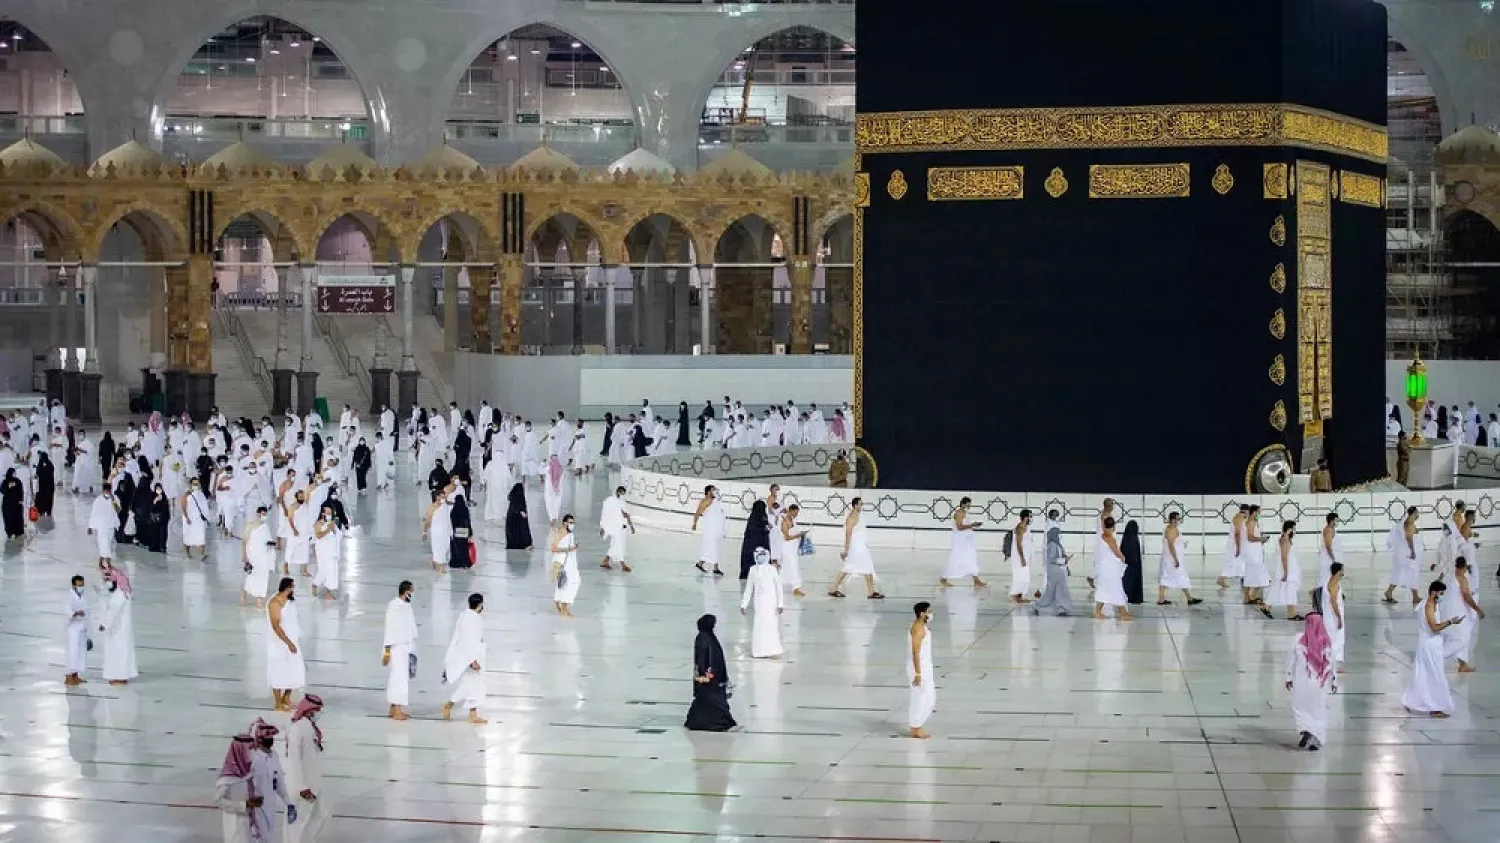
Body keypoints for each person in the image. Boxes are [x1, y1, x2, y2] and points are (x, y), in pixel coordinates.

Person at [1285, 589, 1338, 751]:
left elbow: (1290, 661)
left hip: (1302, 681)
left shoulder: (1298, 640)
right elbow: (1332, 664)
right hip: (1319, 684)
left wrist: (1288, 677)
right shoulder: (1326, 643)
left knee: (1300, 707)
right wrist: (1334, 681)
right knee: (1318, 709)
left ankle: (1305, 730)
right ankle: (1316, 738)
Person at [1403, 580, 1459, 718]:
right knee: (1435, 675)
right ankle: (1435, 707)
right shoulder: (1428, 606)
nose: (1442, 596)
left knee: (1425, 674)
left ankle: (1412, 700)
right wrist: (1450, 622)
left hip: (1433, 645)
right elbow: (1433, 627)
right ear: (1433, 593)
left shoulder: (1433, 605)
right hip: (1429, 646)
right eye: (1441, 593)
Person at [682, 613, 738, 731]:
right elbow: (702, 658)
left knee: (705, 701)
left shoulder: (709, 636)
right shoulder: (703, 638)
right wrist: (705, 674)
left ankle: (696, 722)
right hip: (708, 677)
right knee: (716, 701)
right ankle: (725, 723)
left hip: (712, 676)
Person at [282, 694, 327, 842]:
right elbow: (294, 760)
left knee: (319, 816)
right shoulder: (297, 728)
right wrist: (302, 787)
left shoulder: (310, 727)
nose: (319, 713)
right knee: (297, 823)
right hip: (300, 787)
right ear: (310, 710)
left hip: (312, 782)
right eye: (318, 710)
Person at [441, 593, 488, 724]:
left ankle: (473, 714)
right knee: (466, 686)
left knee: (475, 686)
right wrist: (472, 661)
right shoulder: (470, 619)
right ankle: (448, 705)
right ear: (479, 605)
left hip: (475, 657)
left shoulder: (469, 616)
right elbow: (467, 641)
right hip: (471, 659)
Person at [830, 497, 883, 599]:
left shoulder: (858, 515)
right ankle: (870, 592)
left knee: (851, 568)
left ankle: (870, 592)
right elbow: (848, 534)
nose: (861, 506)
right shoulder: (852, 517)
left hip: (860, 545)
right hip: (856, 547)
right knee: (852, 568)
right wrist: (846, 550)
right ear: (855, 505)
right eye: (860, 504)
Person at [247, 719, 291, 840]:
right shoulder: (251, 758)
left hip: (270, 807)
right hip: (256, 809)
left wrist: (289, 803)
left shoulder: (274, 755)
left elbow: (279, 782)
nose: (271, 739)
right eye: (268, 736)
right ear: (259, 739)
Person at [266, 577, 305, 712]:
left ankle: (286, 698)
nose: (293, 590)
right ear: (287, 588)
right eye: (292, 587)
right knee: (278, 671)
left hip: (292, 640)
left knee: (295, 670)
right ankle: (278, 703)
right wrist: (288, 643)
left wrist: (295, 640)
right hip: (278, 643)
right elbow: (276, 626)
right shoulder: (274, 603)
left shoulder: (290, 601)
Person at [382, 581, 419, 721]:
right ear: (405, 592)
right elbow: (390, 628)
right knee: (399, 678)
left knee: (401, 677)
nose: (412, 595)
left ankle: (393, 707)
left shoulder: (406, 606)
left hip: (406, 648)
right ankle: (397, 709)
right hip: (396, 647)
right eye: (411, 592)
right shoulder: (394, 606)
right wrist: (386, 651)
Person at [97, 565, 138, 685]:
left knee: (117, 653)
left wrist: (104, 624)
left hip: (117, 630)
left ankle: (119, 677)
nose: (108, 583)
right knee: (122, 652)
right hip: (121, 629)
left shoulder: (119, 594)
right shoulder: (124, 593)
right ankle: (122, 676)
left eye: (109, 580)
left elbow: (113, 611)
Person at [741, 547, 785, 658]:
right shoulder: (752, 570)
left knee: (770, 625)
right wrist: (744, 604)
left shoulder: (772, 569)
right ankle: (759, 651)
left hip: (771, 603)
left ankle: (773, 650)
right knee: (759, 626)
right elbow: (749, 589)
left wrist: (780, 604)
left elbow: (779, 587)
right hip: (759, 603)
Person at [215, 733, 256, 843]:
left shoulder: (249, 773)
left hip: (250, 825)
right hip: (235, 827)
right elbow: (219, 801)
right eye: (248, 750)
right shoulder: (227, 778)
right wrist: (244, 805)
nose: (251, 754)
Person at [1446, 558, 1484, 673]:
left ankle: (1463, 664)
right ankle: (1438, 656)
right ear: (1464, 567)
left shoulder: (1448, 576)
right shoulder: (1462, 579)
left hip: (1447, 611)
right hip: (1458, 613)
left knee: (1462, 637)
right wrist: (1478, 609)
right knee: (1460, 639)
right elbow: (1466, 596)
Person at [1157, 512, 1201, 605]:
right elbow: (1170, 545)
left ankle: (1188, 598)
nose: (1179, 520)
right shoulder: (1171, 530)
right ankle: (1189, 598)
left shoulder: (1170, 528)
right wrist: (1175, 559)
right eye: (1178, 519)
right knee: (1175, 576)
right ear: (1173, 520)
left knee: (1169, 576)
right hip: (1172, 559)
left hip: (1170, 558)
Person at [940, 497, 986, 587]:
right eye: (968, 504)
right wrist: (972, 525)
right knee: (956, 560)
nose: (969, 506)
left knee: (971, 559)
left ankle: (976, 580)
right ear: (963, 504)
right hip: (960, 542)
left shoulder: (964, 513)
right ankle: (943, 579)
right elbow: (959, 527)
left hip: (967, 542)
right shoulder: (959, 513)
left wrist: (973, 525)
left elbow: (965, 525)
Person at [907, 601, 935, 739]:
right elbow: (915, 652)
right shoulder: (918, 629)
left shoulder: (922, 626)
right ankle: (916, 727)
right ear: (922, 613)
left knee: (925, 696)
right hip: (919, 667)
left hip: (925, 665)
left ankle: (916, 725)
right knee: (922, 697)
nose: (930, 614)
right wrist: (918, 673)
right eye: (929, 611)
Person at [1093, 517, 1131, 621]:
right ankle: (1122, 613)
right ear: (1113, 526)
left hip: (1104, 567)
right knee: (1116, 587)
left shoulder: (1102, 536)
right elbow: (1116, 551)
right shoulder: (1110, 538)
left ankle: (1098, 612)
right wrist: (1123, 558)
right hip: (1110, 568)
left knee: (1105, 588)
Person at [1033, 524, 1075, 616]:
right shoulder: (1052, 545)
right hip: (1054, 570)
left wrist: (1065, 559)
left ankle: (1061, 608)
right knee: (1054, 590)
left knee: (1058, 590)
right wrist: (1064, 560)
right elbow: (1052, 559)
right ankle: (1041, 605)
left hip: (1058, 570)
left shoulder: (1057, 545)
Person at [1384, 507, 1423, 606]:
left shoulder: (1407, 523)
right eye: (1417, 513)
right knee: (1411, 573)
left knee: (1401, 573)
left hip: (1404, 554)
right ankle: (1414, 597)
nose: (1418, 515)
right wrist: (1413, 551)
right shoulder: (1409, 524)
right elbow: (1409, 538)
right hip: (1408, 555)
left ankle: (1413, 596)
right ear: (1413, 513)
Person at [1267, 520, 1303, 621]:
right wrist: (1286, 572)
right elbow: (1284, 557)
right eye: (1294, 528)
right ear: (1289, 529)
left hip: (1290, 568)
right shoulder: (1285, 540)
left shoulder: (1285, 539)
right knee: (1289, 589)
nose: (1295, 531)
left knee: (1279, 588)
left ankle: (1267, 607)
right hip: (1287, 569)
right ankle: (1291, 614)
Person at [692, 485, 728, 576]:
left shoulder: (716, 501)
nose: (715, 491)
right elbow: (698, 512)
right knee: (710, 547)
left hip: (717, 529)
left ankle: (714, 567)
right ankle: (702, 564)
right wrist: (694, 523)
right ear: (708, 492)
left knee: (716, 548)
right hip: (710, 529)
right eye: (713, 490)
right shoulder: (705, 501)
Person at [1241, 505, 1272, 611]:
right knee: (1258, 572)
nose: (1259, 514)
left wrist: (1261, 540)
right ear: (1254, 512)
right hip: (1252, 552)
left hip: (1253, 550)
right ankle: (1251, 595)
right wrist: (1261, 538)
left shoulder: (1250, 521)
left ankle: (1248, 597)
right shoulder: (1251, 522)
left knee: (1250, 573)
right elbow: (1250, 537)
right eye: (1259, 512)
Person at [598, 486, 635, 572]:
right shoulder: (609, 501)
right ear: (618, 492)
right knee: (618, 545)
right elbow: (605, 514)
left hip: (622, 527)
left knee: (615, 545)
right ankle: (623, 564)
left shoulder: (622, 502)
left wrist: (631, 526)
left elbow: (627, 514)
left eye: (624, 494)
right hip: (614, 527)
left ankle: (605, 561)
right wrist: (603, 527)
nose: (623, 495)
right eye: (622, 494)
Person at [550, 515, 581, 617]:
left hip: (570, 561)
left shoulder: (570, 533)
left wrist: (573, 548)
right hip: (563, 561)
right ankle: (564, 607)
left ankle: (559, 601)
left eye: (573, 523)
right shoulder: (560, 532)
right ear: (565, 523)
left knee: (568, 582)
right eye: (570, 522)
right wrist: (568, 549)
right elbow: (554, 548)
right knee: (568, 582)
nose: (572, 525)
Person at [776, 503, 809, 597]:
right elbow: (787, 537)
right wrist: (798, 535)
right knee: (793, 566)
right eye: (795, 512)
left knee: (787, 566)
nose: (796, 515)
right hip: (787, 548)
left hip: (793, 547)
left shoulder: (793, 520)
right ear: (790, 511)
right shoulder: (785, 522)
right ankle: (796, 587)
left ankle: (781, 583)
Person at [311, 506, 342, 600]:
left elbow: (338, 535)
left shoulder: (332, 523)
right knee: (323, 571)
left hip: (332, 552)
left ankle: (328, 592)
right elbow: (318, 535)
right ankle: (315, 584)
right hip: (323, 552)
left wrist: (333, 530)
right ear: (322, 514)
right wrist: (328, 529)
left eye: (330, 513)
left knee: (331, 571)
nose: (329, 515)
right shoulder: (318, 524)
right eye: (327, 513)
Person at [1005, 510, 1035, 605]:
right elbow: (1018, 544)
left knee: (1024, 577)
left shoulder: (1026, 527)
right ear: (1025, 517)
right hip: (1019, 557)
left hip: (1025, 555)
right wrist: (1022, 558)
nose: (1031, 518)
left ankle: (1019, 595)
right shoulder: (1020, 528)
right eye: (1030, 516)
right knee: (1021, 576)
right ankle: (1016, 595)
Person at [64, 574, 89, 686]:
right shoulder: (69, 597)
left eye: (82, 585)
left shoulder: (82, 596)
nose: (81, 587)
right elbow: (67, 611)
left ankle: (76, 675)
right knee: (73, 652)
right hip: (73, 628)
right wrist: (76, 613)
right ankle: (69, 676)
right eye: (79, 585)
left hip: (82, 628)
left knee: (80, 652)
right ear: (74, 585)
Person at [739, 499, 772, 581]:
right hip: (752, 543)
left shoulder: (764, 515)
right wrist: (765, 529)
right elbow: (754, 530)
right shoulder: (753, 517)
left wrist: (767, 528)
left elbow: (765, 525)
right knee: (751, 558)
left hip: (763, 541)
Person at [1324, 562, 1347, 672]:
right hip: (1333, 616)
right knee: (1335, 640)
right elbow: (1333, 602)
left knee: (1333, 639)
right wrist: (1338, 617)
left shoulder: (1330, 581)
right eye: (1342, 570)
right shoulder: (1334, 584)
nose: (1343, 572)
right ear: (1338, 571)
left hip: (1329, 616)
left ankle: (1332, 664)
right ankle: (1334, 666)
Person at [1218, 504, 1248, 588]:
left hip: (1236, 543)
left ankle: (1244, 578)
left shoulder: (1240, 517)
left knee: (1239, 562)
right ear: (1247, 511)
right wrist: (1238, 547)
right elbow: (1237, 533)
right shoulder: (1240, 517)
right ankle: (1221, 579)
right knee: (1232, 561)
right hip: (1235, 544)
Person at [181, 478, 210, 558]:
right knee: (188, 537)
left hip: (199, 519)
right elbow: (183, 506)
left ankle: (202, 554)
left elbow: (204, 506)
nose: (196, 486)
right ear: (190, 485)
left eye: (197, 484)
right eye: (194, 484)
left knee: (201, 535)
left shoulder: (201, 494)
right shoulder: (186, 495)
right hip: (189, 518)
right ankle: (188, 553)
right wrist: (187, 517)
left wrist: (207, 517)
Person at [88, 489, 118, 565]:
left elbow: (118, 510)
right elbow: (93, 513)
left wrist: (113, 501)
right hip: (101, 526)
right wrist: (90, 526)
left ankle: (102, 562)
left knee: (108, 544)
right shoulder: (98, 500)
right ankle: (106, 563)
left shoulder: (114, 498)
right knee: (104, 544)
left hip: (110, 526)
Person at [1120, 520, 1145, 605]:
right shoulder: (1134, 538)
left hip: (1125, 564)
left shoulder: (1126, 537)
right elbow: (1134, 553)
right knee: (1132, 581)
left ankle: (1126, 596)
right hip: (1133, 565)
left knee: (1126, 581)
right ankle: (1133, 597)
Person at [142, 483, 171, 553]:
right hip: (155, 519)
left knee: (163, 533)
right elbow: (150, 507)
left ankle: (162, 546)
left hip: (163, 518)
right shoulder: (152, 496)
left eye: (160, 489)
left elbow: (166, 508)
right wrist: (155, 501)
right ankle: (155, 546)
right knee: (155, 533)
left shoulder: (164, 497)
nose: (158, 490)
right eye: (157, 489)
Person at [504, 482, 532, 551]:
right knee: (523, 527)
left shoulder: (513, 501)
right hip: (517, 521)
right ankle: (525, 544)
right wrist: (521, 512)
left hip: (512, 527)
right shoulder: (520, 500)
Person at [1, 467, 23, 539]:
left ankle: (9, 533)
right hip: (16, 504)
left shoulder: (5, 482)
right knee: (17, 519)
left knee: (8, 519)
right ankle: (17, 533)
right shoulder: (17, 481)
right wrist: (20, 500)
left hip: (7, 504)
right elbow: (21, 491)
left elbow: (2, 490)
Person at [33, 451, 54, 518]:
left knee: (41, 499)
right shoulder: (50, 463)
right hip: (49, 486)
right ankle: (48, 511)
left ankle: (41, 511)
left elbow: (37, 473)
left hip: (42, 486)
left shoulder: (40, 463)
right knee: (48, 499)